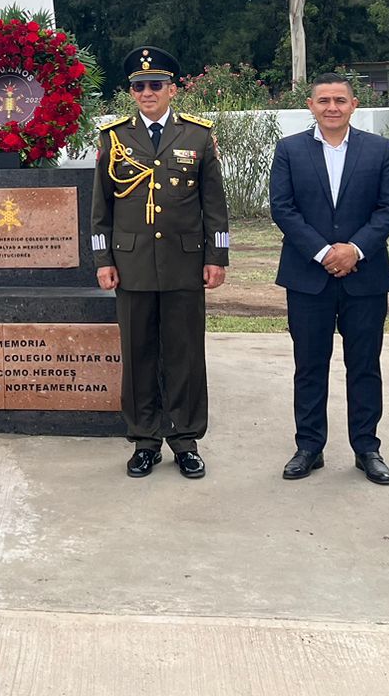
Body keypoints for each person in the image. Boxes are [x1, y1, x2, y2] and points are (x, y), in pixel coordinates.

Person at [91, 46, 230, 480]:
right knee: (138, 354)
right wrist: (102, 259)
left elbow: (215, 206)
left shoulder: (198, 136)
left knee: (185, 353)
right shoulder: (113, 137)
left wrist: (217, 256)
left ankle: (185, 440)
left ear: (172, 89)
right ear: (130, 92)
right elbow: (101, 209)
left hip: (185, 263)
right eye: (138, 86)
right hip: (131, 264)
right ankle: (145, 440)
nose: (147, 92)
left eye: (155, 85)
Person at [268, 72, 389, 486]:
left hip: (365, 277)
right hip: (308, 277)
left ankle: (367, 448)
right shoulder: (289, 150)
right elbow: (283, 208)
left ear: (353, 104)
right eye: (323, 100)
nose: (331, 107)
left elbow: (388, 208)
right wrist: (325, 252)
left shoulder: (379, 149)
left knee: (364, 365)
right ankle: (309, 446)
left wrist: (353, 250)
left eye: (339, 100)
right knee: (309, 366)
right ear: (310, 106)